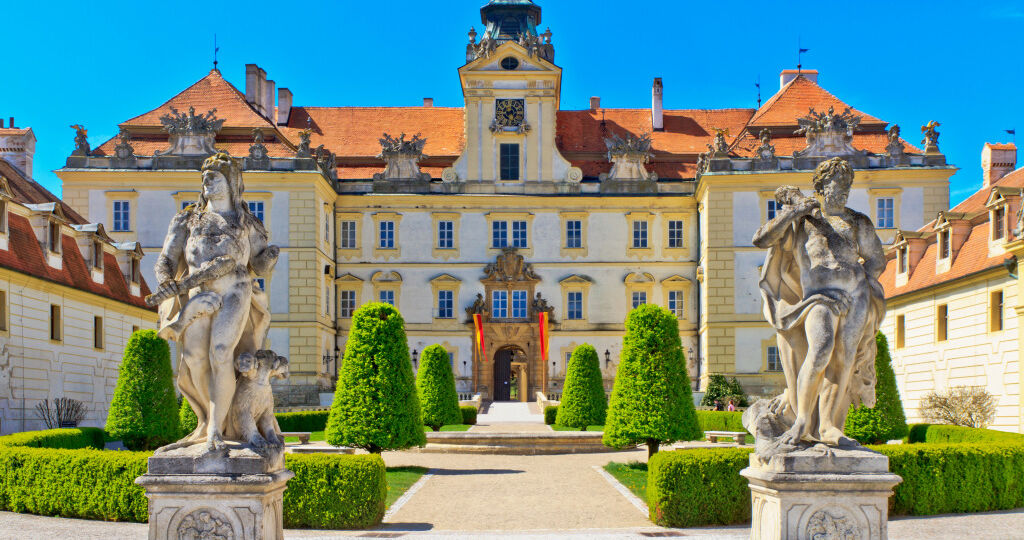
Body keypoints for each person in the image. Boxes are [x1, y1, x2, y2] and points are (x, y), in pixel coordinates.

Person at [751, 157, 885, 449]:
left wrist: (859, 280)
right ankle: (802, 420)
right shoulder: (804, 219)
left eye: (847, 186)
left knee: (845, 359)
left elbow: (876, 259)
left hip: (856, 296)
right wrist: (793, 212)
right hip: (817, 298)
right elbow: (761, 239)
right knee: (821, 350)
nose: (843, 192)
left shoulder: (856, 220)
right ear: (821, 186)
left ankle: (829, 427)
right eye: (837, 186)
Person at [152, 152, 279, 454]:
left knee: (221, 353)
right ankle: (208, 420)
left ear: (231, 182)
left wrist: (270, 256)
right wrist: (166, 281)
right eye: (205, 177)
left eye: (215, 176)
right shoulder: (187, 219)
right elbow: (165, 260)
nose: (207, 181)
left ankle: (214, 433)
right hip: (197, 293)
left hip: (235, 289)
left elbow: (259, 266)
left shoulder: (247, 223)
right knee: (195, 359)